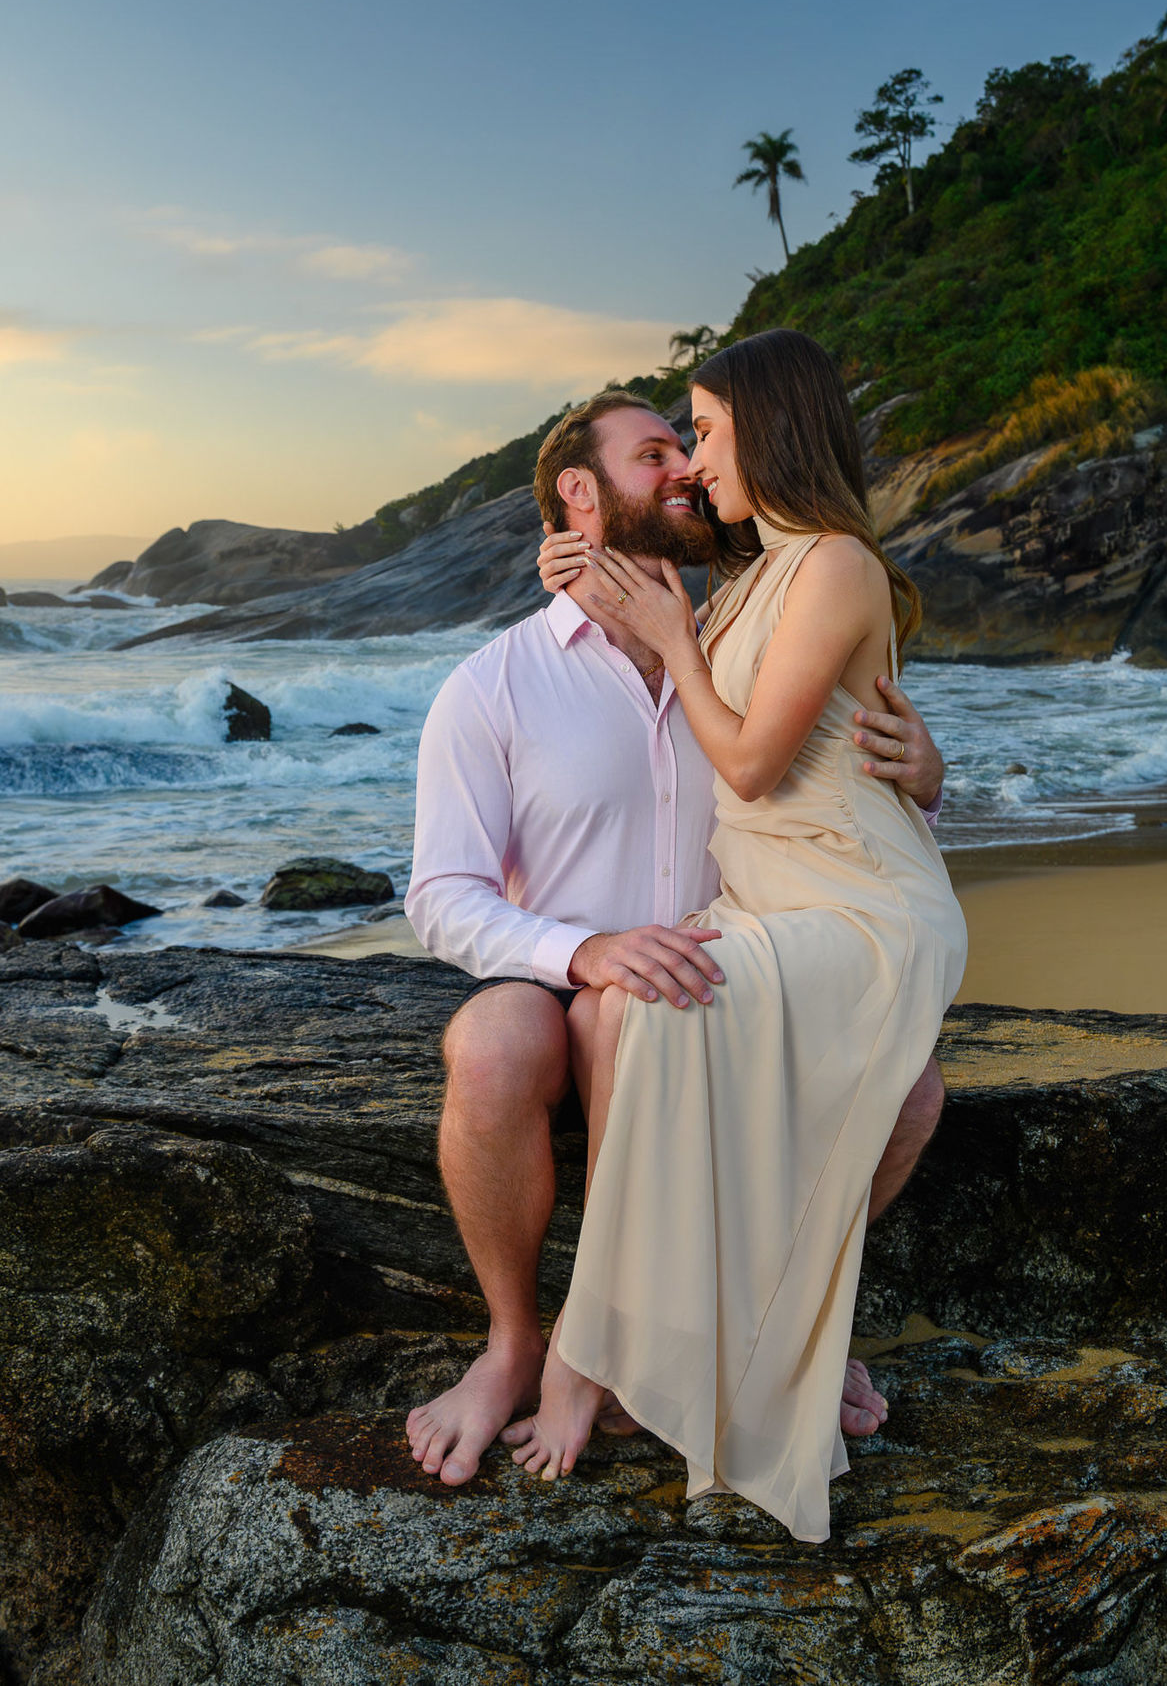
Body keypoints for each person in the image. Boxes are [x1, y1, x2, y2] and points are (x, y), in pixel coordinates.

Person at [404, 380, 949, 1494]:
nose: (690, 471)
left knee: (914, 1092)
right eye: (658, 455)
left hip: (732, 962)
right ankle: (522, 1344)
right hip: (559, 972)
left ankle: (780, 1320)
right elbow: (442, 896)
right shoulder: (493, 685)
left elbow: (841, 795)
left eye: (693, 446)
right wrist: (580, 951)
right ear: (580, 495)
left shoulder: (747, 630)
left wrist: (929, 773)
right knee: (513, 1040)